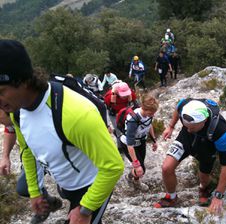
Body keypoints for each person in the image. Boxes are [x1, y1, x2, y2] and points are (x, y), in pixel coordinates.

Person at [0, 40, 124, 224]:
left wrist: (85, 209)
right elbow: (27, 150)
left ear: (24, 81)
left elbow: (113, 167)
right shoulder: (17, 111)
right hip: (66, 182)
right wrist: (35, 192)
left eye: (1, 91)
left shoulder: (76, 114)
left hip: (93, 184)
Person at [154, 99, 226, 215]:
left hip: (207, 146)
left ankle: (203, 189)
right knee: (166, 168)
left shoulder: (220, 131)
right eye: (185, 125)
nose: (189, 129)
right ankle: (171, 197)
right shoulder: (186, 106)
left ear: (204, 121)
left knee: (204, 177)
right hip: (185, 139)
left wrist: (219, 195)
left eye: (192, 127)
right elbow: (178, 106)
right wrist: (171, 126)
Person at [0, 109, 62, 224]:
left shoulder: (28, 113)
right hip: (31, 155)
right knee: (24, 188)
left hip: (54, 152)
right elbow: (10, 129)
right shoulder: (12, 117)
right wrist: (5, 156)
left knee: (66, 190)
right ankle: (47, 203)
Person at [118, 95, 159, 191]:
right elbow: (129, 144)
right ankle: (129, 177)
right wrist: (136, 164)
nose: (153, 115)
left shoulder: (148, 115)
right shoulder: (133, 120)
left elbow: (149, 125)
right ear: (144, 109)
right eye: (151, 113)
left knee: (141, 167)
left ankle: (135, 179)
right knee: (141, 169)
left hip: (141, 142)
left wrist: (154, 140)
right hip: (128, 145)